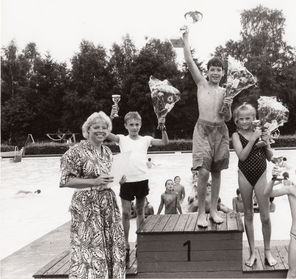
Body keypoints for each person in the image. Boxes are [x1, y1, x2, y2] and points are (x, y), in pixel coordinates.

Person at [60, 111, 125, 278]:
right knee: (89, 249)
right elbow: (66, 181)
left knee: (111, 246)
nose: (100, 131)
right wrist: (93, 182)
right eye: (96, 127)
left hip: (107, 204)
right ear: (87, 130)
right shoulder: (75, 152)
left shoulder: (108, 151)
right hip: (86, 206)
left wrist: (118, 178)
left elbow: (105, 178)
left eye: (104, 128)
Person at [183, 25, 233, 228]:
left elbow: (228, 117)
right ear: (208, 72)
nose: (215, 73)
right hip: (203, 130)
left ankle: (214, 210)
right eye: (212, 70)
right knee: (203, 172)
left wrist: (228, 107)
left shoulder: (226, 91)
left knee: (217, 172)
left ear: (222, 73)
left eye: (218, 70)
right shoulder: (201, 85)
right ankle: (201, 213)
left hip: (220, 130)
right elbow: (189, 60)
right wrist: (186, 38)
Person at [107, 111, 168, 260]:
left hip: (142, 179)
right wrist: (110, 117)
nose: (134, 127)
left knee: (141, 211)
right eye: (131, 125)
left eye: (137, 124)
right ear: (126, 125)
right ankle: (126, 243)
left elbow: (164, 142)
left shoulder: (146, 139)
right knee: (126, 213)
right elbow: (106, 133)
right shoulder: (121, 139)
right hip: (126, 181)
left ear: (140, 125)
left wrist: (163, 127)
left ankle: (139, 241)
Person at [231, 103, 277, 267]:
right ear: (236, 120)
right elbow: (242, 156)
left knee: (265, 216)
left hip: (261, 175)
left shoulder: (261, 132)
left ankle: (267, 251)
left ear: (254, 118)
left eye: (248, 118)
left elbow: (270, 156)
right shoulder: (236, 136)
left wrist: (266, 142)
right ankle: (252, 252)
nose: (244, 122)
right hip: (244, 175)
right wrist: (253, 137)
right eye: (241, 119)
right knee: (249, 215)